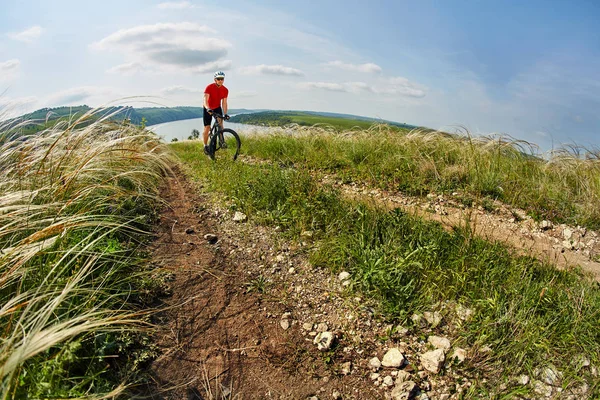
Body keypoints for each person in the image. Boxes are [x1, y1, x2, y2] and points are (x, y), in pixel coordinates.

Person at [203, 71, 230, 155]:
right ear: (215, 79)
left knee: (220, 124)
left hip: (217, 107)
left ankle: (221, 142)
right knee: (207, 127)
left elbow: (224, 103)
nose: (220, 80)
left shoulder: (225, 90)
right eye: (218, 79)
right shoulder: (209, 87)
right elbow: (205, 100)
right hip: (208, 108)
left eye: (222, 79)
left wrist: (225, 113)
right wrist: (208, 108)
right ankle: (205, 145)